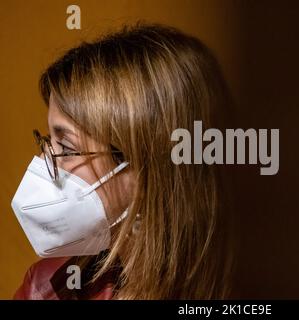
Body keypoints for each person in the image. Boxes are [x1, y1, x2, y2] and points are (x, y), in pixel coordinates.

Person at [11, 23, 233, 299]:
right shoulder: (47, 289)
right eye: (47, 140)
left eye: (66, 149)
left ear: (144, 168)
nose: (45, 163)